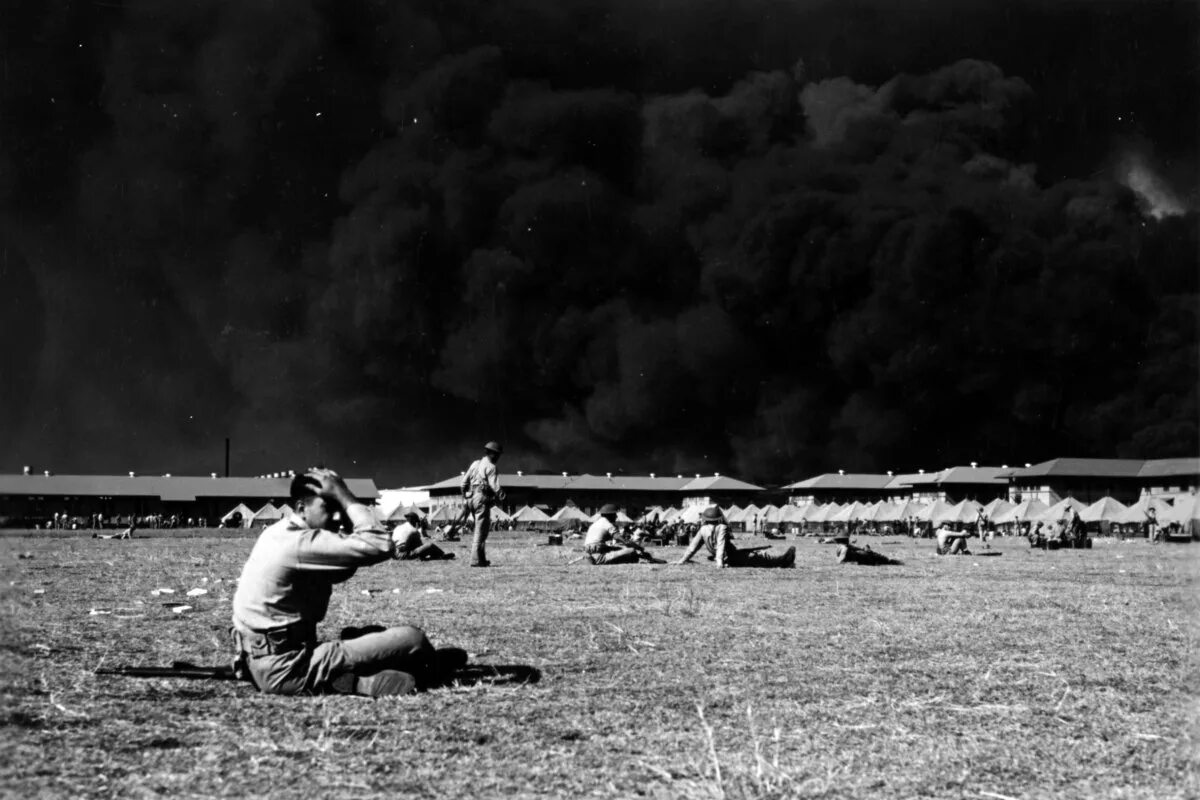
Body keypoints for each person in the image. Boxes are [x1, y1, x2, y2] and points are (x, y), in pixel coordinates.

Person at [231, 468, 466, 697]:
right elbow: (381, 544)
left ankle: (351, 680)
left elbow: (338, 573)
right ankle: (422, 665)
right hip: (288, 667)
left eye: (338, 508)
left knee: (363, 635)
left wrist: (345, 536)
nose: (336, 515)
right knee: (413, 639)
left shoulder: (279, 532)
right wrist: (345, 497)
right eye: (328, 507)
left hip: (257, 662)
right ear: (302, 509)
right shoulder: (300, 543)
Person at [676, 507, 795, 567]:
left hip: (727, 557)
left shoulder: (702, 530)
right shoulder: (722, 527)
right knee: (759, 557)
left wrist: (682, 561)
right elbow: (721, 545)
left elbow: (692, 548)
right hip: (730, 557)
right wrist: (719, 563)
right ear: (718, 518)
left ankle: (783, 561)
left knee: (756, 555)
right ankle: (784, 561)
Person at [461, 441, 505, 567]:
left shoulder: (475, 463)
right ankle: (475, 560)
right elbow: (494, 486)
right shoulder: (491, 467)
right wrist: (503, 497)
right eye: (497, 454)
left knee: (480, 529)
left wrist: (466, 495)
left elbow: (463, 483)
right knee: (481, 531)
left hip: (471, 498)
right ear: (492, 454)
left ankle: (481, 559)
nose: (498, 457)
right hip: (481, 498)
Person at [582, 505, 662, 564]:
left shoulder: (595, 523)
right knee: (632, 551)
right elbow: (625, 541)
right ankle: (597, 560)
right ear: (609, 515)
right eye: (614, 514)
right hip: (598, 554)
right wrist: (639, 548)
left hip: (591, 550)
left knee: (621, 548)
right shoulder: (608, 525)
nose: (616, 516)